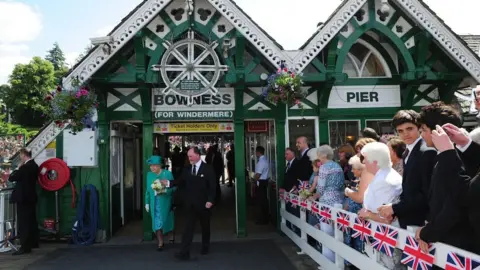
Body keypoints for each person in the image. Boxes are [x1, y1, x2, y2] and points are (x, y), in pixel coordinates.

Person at [413, 103, 474, 257]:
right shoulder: (444, 157)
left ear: (439, 132)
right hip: (445, 242)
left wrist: (427, 233)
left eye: (424, 130)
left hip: (458, 246)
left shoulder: (456, 160)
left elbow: (454, 207)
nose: (422, 135)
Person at [377, 110, 436, 229]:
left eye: (409, 128)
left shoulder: (427, 152)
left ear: (419, 128)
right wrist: (395, 210)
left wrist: (394, 208)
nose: (405, 134)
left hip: (422, 223)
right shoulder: (407, 152)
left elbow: (427, 194)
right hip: (409, 220)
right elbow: (409, 191)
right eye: (400, 131)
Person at [163, 147, 216, 261]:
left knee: (205, 226)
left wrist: (210, 200)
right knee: (188, 228)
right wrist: (167, 183)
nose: (189, 158)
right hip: (190, 204)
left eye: (191, 156)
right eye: (188, 156)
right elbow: (179, 181)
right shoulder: (187, 169)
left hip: (204, 204)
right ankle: (184, 252)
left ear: (197, 155)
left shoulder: (208, 169)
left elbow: (212, 186)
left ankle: (205, 247)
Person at [358, 142, 403, 269]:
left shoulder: (384, 180)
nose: (364, 163)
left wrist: (367, 214)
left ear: (375, 161)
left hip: (386, 236)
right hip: (385, 235)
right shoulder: (388, 175)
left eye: (366, 159)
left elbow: (386, 217)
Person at [307, 145, 344, 263]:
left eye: (319, 154)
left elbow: (321, 188)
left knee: (326, 232)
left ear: (323, 155)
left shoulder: (324, 168)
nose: (318, 157)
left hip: (327, 202)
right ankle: (338, 262)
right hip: (339, 199)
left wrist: (315, 196)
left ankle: (328, 262)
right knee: (337, 232)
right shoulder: (337, 166)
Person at [9, 148, 39, 255]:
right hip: (30, 197)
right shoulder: (34, 165)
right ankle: (32, 243)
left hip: (23, 198)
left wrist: (18, 168)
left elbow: (12, 178)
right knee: (30, 220)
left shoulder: (25, 167)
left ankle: (25, 246)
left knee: (24, 222)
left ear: (23, 155)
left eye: (20, 155)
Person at [144, 155, 176, 251]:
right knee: (156, 223)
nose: (152, 167)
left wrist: (166, 191)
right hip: (154, 203)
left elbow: (174, 188)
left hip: (165, 202)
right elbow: (147, 190)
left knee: (167, 221)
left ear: (160, 165)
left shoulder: (167, 174)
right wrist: (147, 202)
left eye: (155, 165)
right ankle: (160, 242)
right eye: (151, 165)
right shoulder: (149, 175)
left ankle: (171, 235)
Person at [283, 147, 301, 235]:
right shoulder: (288, 164)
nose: (285, 156)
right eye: (285, 154)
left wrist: (295, 187)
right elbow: (286, 178)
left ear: (293, 154)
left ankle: (297, 232)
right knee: (289, 212)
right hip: (288, 193)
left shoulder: (297, 163)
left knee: (295, 213)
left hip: (294, 193)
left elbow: (298, 178)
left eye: (287, 154)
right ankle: (291, 231)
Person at [253, 146, 270, 225]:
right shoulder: (265, 160)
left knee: (261, 201)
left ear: (258, 152)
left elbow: (258, 175)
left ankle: (262, 219)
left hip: (261, 183)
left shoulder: (261, 162)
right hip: (264, 182)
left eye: (256, 152)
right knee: (263, 200)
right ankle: (265, 218)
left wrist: (253, 179)